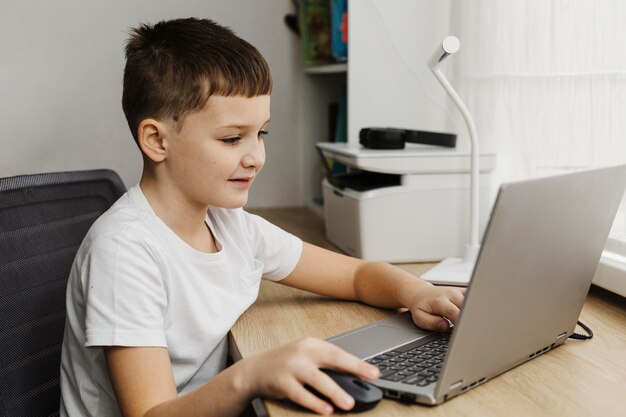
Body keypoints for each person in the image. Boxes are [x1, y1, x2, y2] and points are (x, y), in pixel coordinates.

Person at [60, 17, 464, 417]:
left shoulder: (231, 225)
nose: (255, 157)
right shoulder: (124, 252)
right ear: (157, 140)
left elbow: (355, 277)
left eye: (261, 134)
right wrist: (250, 376)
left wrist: (417, 292)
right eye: (232, 138)